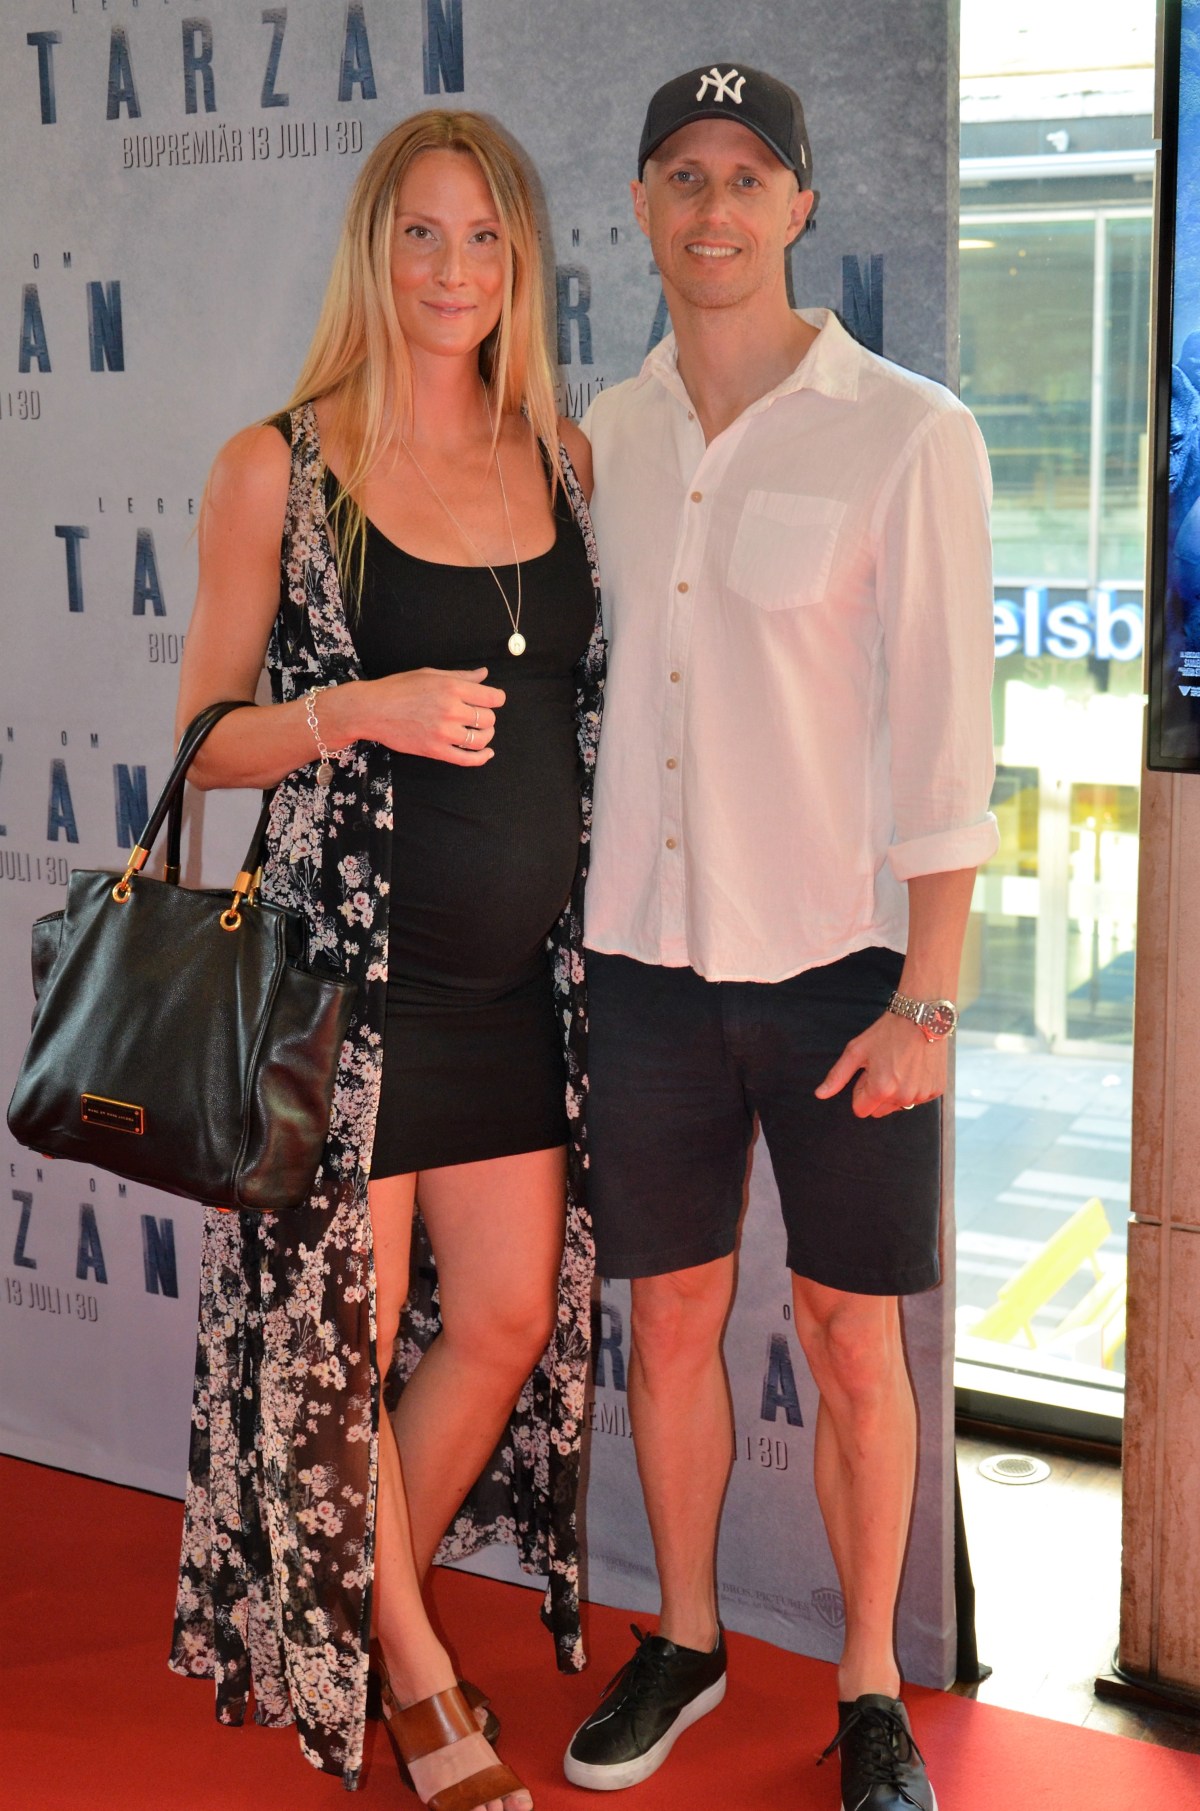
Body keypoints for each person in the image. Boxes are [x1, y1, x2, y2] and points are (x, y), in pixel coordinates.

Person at [563, 63, 998, 1810]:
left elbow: (949, 741)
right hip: (646, 965)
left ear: (802, 205)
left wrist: (929, 999)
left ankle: (872, 1686)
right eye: (683, 175)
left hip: (843, 974)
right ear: (643, 207)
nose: (715, 208)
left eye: (749, 177)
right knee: (669, 1323)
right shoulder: (604, 433)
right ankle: (685, 1638)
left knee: (847, 1338)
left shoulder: (909, 431)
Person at [167, 110, 604, 1811]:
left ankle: (346, 1605)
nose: (451, 268)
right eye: (421, 232)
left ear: (520, 262)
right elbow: (204, 743)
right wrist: (357, 708)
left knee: (501, 1320)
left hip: (512, 994)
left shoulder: (558, 457)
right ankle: (414, 1681)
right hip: (348, 993)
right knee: (336, 1349)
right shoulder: (277, 467)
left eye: (483, 237)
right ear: (373, 249)